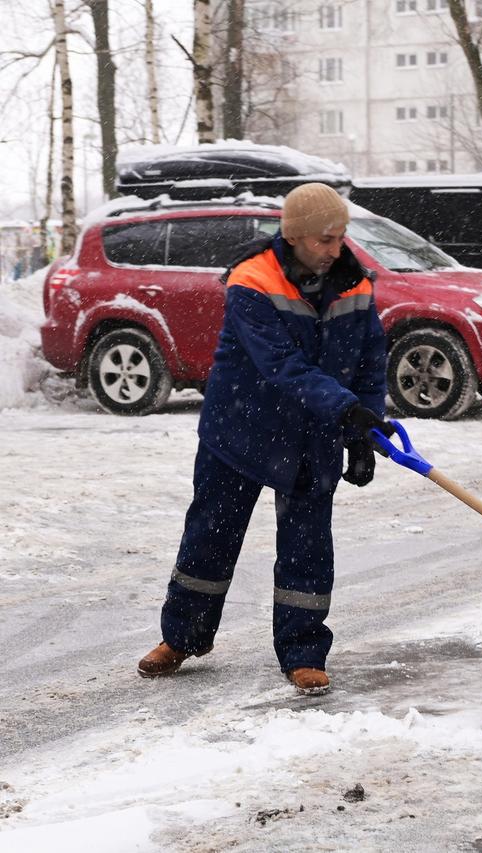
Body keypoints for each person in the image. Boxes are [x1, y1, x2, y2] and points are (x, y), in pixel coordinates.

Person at [137, 183, 391, 695]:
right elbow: (280, 363)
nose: (335, 249)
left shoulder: (355, 284)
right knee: (211, 536)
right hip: (241, 430)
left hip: (312, 435)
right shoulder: (252, 281)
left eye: (340, 237)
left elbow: (370, 360)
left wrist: (365, 431)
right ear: (293, 235)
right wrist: (345, 407)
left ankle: (303, 652)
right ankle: (183, 637)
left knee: (307, 546)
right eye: (324, 239)